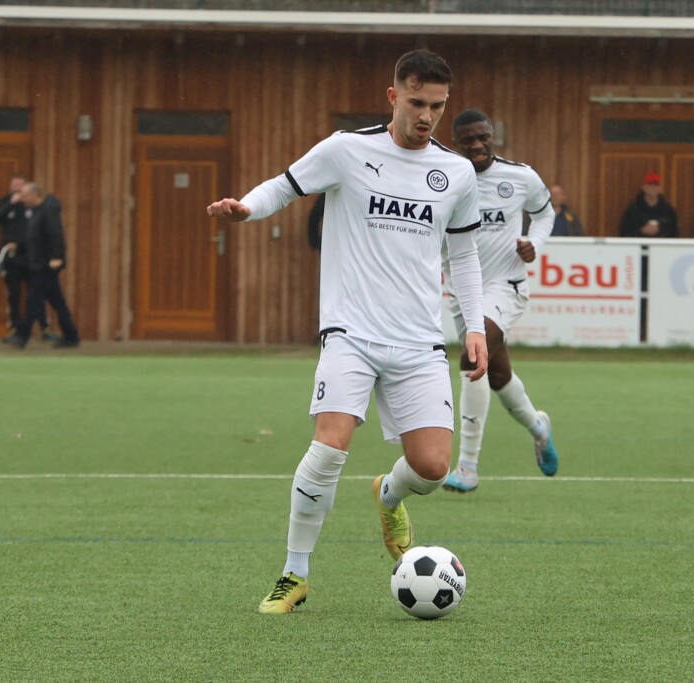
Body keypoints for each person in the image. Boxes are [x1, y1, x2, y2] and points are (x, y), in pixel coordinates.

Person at [207, 49, 488, 614]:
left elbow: (465, 255)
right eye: (416, 102)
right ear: (393, 97)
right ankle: (295, 572)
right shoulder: (347, 149)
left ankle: (389, 494)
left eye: (436, 105)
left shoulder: (456, 173)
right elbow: (285, 185)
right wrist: (248, 209)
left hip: (418, 342)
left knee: (433, 468)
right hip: (350, 333)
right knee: (329, 443)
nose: (426, 115)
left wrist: (474, 326)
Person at [440, 109, 559, 494]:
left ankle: (468, 467)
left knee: (473, 359)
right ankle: (539, 427)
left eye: (482, 137)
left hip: (506, 285)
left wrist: (533, 243)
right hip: (462, 291)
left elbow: (544, 213)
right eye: (467, 140)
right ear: (456, 143)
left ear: (492, 135)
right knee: (497, 375)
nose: (476, 145)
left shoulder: (520, 176)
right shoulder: (442, 179)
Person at [4, 183, 80, 349]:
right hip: (38, 263)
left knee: (33, 301)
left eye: (24, 196)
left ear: (34, 195)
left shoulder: (48, 211)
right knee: (57, 302)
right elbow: (33, 236)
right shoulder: (35, 211)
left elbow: (56, 235)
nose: (21, 199)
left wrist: (57, 257)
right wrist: (19, 245)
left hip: (45, 265)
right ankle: (71, 336)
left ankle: (22, 337)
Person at [0, 174, 56, 342]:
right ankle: (15, 329)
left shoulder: (32, 206)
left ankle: (44, 328)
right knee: (14, 294)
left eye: (21, 185)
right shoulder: (6, 202)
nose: (17, 188)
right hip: (11, 258)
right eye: (15, 185)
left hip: (31, 256)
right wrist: (10, 204)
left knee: (36, 292)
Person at [618, 172, 679, 238]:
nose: (653, 187)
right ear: (644, 187)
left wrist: (661, 231)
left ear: (660, 188)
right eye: (650, 184)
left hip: (662, 247)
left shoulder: (668, 210)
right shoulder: (633, 210)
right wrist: (642, 231)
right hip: (639, 247)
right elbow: (624, 233)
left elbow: (675, 233)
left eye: (656, 184)